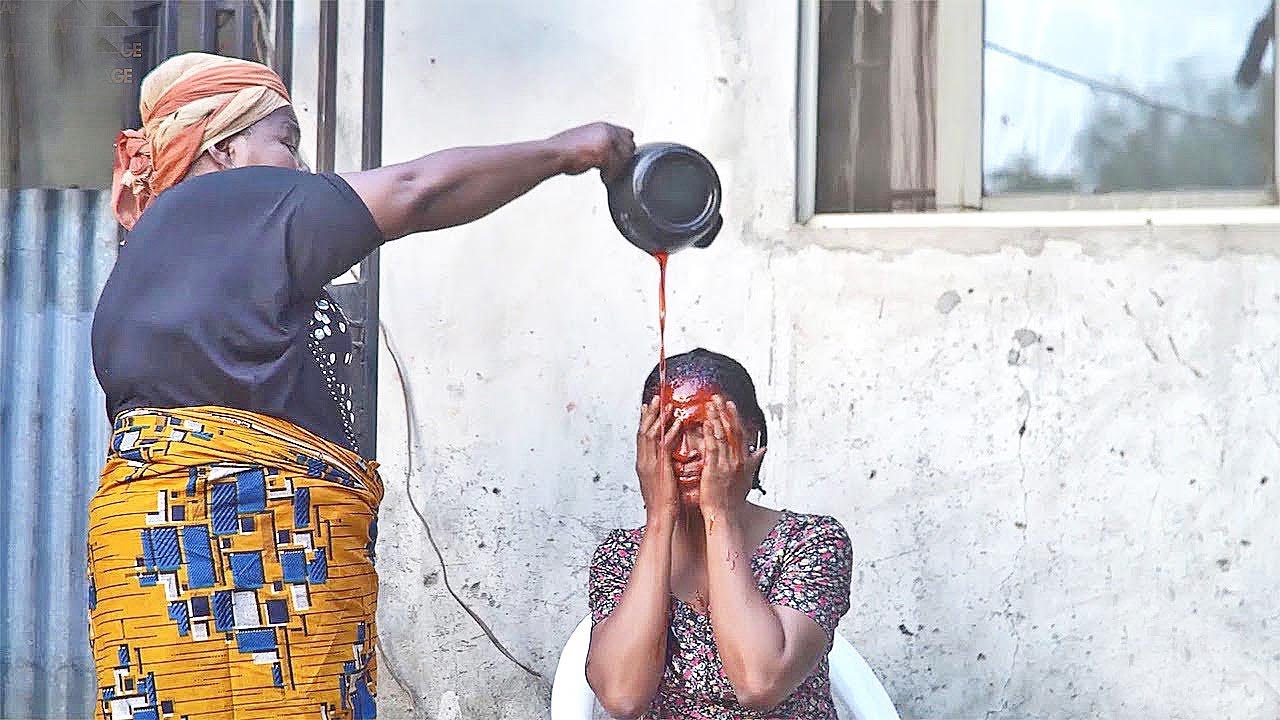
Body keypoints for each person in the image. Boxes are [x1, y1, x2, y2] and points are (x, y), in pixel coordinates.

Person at [88, 52, 634, 719]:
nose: (298, 167)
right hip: (252, 533)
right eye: (285, 140)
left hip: (146, 548)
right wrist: (562, 151)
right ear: (224, 149)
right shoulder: (232, 200)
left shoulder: (145, 254)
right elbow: (414, 191)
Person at [585, 349, 854, 719]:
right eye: (666, 433)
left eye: (703, 431)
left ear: (752, 437)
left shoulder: (813, 542)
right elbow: (622, 697)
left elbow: (759, 683)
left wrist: (719, 516)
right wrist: (660, 517)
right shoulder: (621, 555)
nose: (683, 453)